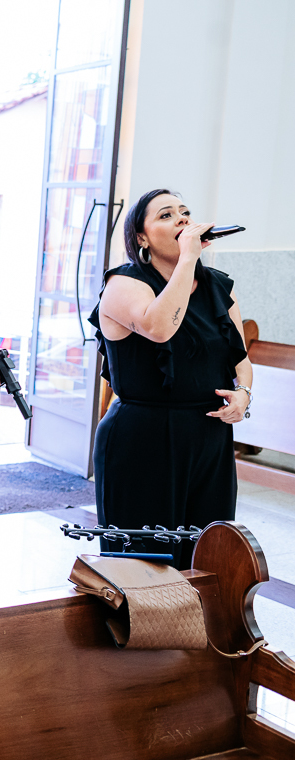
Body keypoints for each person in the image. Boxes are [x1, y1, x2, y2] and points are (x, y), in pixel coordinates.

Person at [89, 189, 252, 561]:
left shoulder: (217, 287)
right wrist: (188, 258)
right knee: (146, 562)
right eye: (166, 215)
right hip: (142, 438)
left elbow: (240, 359)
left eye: (185, 212)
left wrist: (243, 393)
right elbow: (160, 328)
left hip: (209, 437)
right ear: (141, 238)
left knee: (206, 555)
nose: (182, 218)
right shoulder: (123, 284)